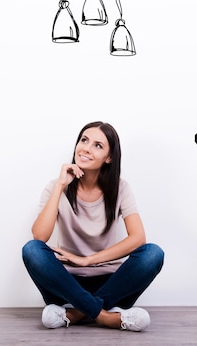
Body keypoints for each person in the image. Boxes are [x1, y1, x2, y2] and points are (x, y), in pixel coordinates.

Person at [22, 121, 164, 331]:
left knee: (153, 253)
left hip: (111, 283)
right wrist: (61, 186)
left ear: (109, 158)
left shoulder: (121, 188)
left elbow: (138, 239)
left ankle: (75, 314)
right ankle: (105, 316)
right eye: (84, 140)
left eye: (98, 145)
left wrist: (87, 260)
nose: (86, 148)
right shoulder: (56, 186)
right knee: (31, 250)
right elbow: (39, 236)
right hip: (66, 283)